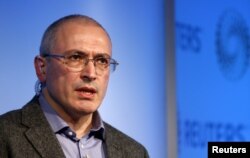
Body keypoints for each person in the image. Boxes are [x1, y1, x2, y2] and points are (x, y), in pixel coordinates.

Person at [0, 14, 149, 158]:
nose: (90, 74)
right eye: (75, 58)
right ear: (42, 68)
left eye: (102, 61)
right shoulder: (5, 136)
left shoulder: (134, 152)